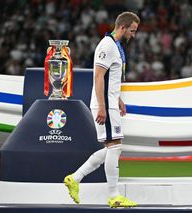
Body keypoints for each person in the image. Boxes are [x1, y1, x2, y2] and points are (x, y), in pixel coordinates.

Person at [64, 11, 140, 208]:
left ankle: (75, 178)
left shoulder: (115, 46)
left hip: (110, 102)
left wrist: (118, 99)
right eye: (132, 30)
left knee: (110, 149)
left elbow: (109, 80)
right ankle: (114, 195)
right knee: (115, 146)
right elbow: (98, 77)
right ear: (122, 27)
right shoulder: (106, 46)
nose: (134, 35)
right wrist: (103, 107)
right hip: (104, 104)